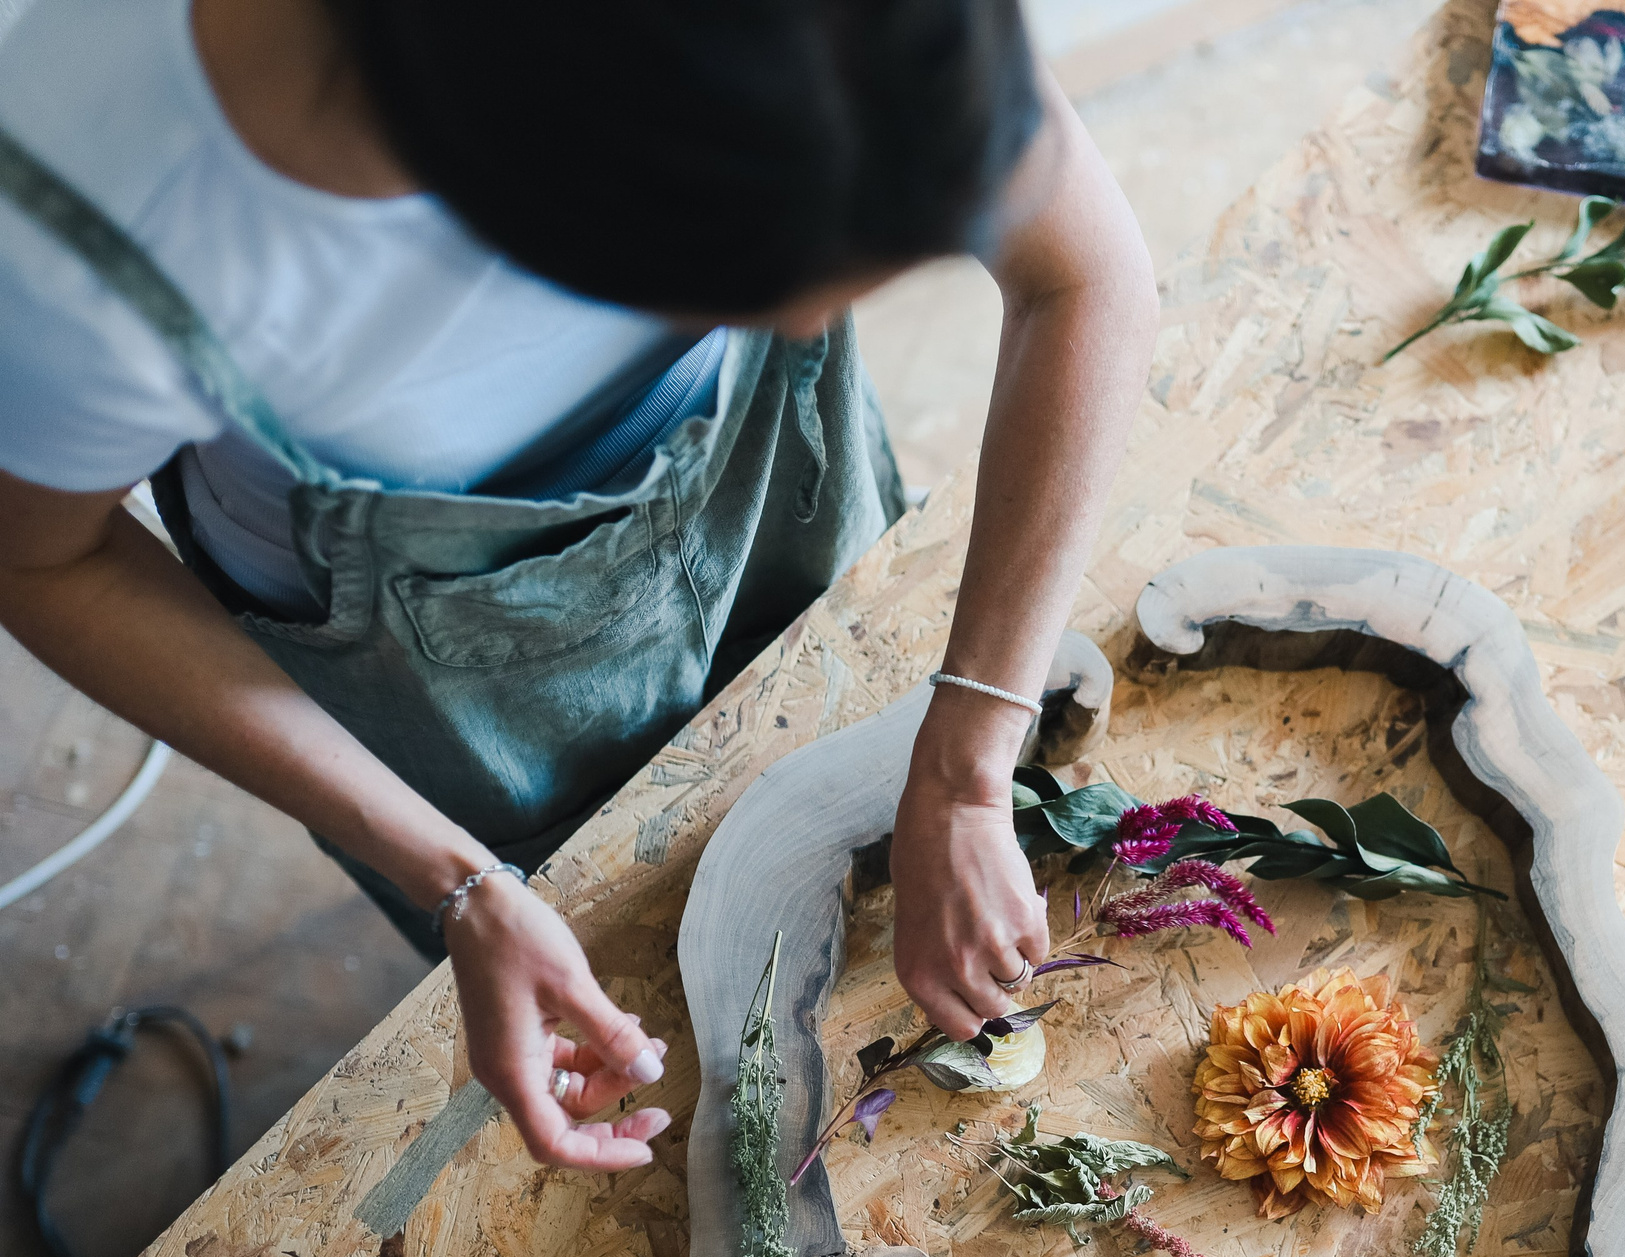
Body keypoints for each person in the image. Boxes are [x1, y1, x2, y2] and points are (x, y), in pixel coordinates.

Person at [0, 0, 1156, 1169]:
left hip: (770, 484)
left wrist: (965, 762)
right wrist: (460, 883)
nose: (811, 325)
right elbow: (43, 556)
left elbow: (1080, 276)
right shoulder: (80, 239)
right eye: (749, 279)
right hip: (433, 681)